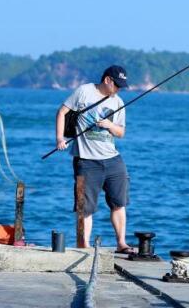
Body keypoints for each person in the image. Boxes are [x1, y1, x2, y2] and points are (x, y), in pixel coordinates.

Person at [55, 65, 133, 253]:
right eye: (117, 85)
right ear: (107, 80)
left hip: (113, 160)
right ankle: (84, 244)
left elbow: (121, 132)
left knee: (119, 202)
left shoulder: (118, 102)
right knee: (84, 207)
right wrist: (60, 138)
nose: (119, 89)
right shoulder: (84, 91)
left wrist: (109, 125)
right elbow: (62, 112)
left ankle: (121, 243)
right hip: (86, 161)